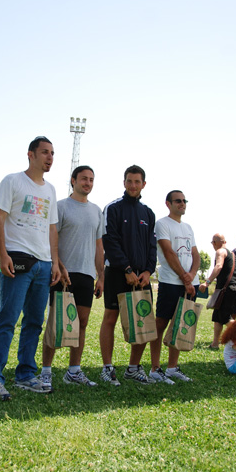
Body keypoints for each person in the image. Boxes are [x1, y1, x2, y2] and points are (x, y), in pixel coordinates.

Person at [0, 137, 60, 400]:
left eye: (52, 153)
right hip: (17, 258)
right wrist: (1, 254)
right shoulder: (13, 181)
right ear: (30, 155)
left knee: (34, 322)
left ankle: (26, 375)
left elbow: (52, 228)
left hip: (43, 263)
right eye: (44, 152)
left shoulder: (50, 189)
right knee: (7, 318)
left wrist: (55, 262)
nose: (49, 157)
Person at [40, 165, 105, 389]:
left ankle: (74, 371)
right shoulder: (60, 207)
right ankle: (46, 371)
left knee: (82, 323)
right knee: (56, 324)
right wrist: (58, 265)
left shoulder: (97, 211)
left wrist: (101, 276)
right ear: (73, 181)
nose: (87, 183)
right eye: (84, 179)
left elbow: (99, 246)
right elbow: (51, 240)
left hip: (86, 274)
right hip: (62, 274)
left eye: (91, 179)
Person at [99, 165, 157, 385]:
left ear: (143, 184)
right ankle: (107, 367)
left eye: (137, 181)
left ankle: (133, 368)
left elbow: (152, 246)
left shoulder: (148, 213)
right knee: (110, 318)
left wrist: (148, 271)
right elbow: (109, 240)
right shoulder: (113, 208)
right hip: (117, 273)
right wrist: (126, 269)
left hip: (141, 277)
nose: (133, 185)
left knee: (143, 321)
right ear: (124, 183)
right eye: (129, 181)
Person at [150, 190, 200, 384]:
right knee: (161, 324)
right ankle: (155, 368)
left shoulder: (188, 227)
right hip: (171, 282)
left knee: (180, 325)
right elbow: (168, 252)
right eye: (178, 201)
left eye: (184, 201)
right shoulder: (162, 224)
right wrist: (185, 279)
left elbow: (195, 254)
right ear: (168, 204)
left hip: (190, 284)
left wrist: (193, 276)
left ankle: (172, 368)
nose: (182, 204)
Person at [199, 234, 236, 350]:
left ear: (214, 243)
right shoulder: (232, 254)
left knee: (225, 317)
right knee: (217, 316)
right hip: (231, 288)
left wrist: (207, 282)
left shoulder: (220, 252)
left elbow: (218, 266)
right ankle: (215, 344)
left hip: (226, 289)